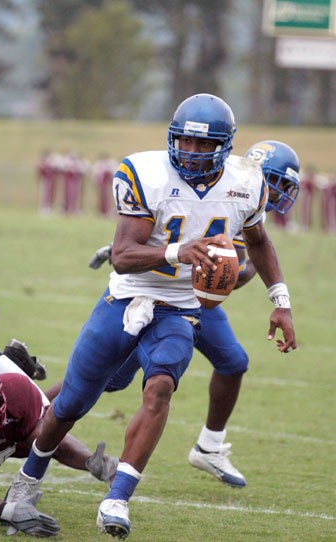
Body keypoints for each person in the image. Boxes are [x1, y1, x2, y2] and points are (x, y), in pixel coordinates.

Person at [7, 94, 296, 539]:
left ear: (225, 146)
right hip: (127, 299)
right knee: (71, 404)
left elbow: (258, 241)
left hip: (181, 308)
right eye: (185, 142)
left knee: (160, 386)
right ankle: (27, 479)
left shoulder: (247, 181)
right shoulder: (146, 172)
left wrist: (280, 301)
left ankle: (117, 498)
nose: (192, 152)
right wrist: (182, 251)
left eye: (204, 146)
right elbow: (123, 256)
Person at [88, 140, 301, 489]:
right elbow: (182, 240)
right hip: (167, 298)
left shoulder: (247, 205)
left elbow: (239, 269)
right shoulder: (231, 192)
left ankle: (209, 446)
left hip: (200, 302)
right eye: (280, 182)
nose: (282, 192)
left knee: (233, 362)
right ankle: (41, 409)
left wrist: (258, 287)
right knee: (109, 378)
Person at [0, 306, 118, 535]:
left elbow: (47, 436)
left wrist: (89, 461)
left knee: (40, 429)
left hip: (9, 411)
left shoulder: (13, 390)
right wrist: (5, 510)